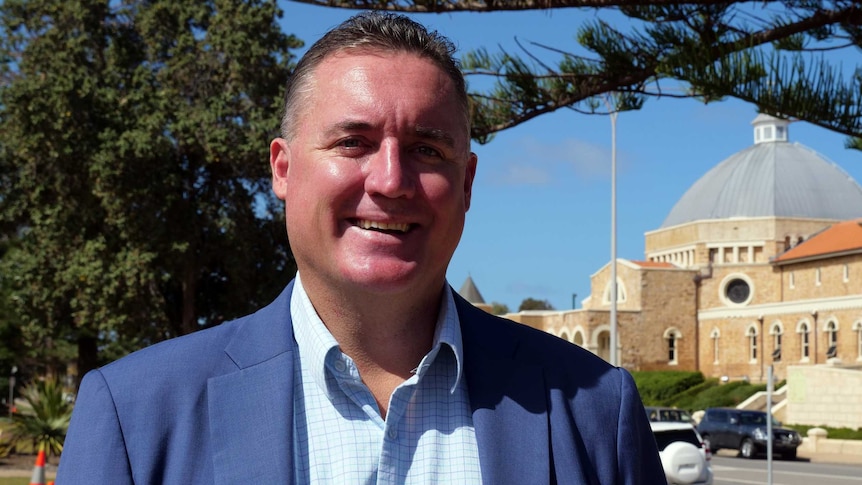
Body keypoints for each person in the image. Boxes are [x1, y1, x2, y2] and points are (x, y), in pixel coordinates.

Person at [57, 12, 664, 484]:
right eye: (353, 142)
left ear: (468, 183)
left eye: (428, 149)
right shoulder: (136, 415)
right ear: (284, 169)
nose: (391, 180)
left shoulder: (592, 409)